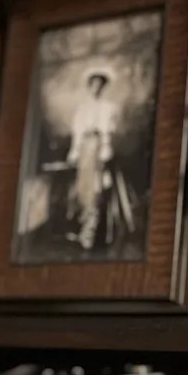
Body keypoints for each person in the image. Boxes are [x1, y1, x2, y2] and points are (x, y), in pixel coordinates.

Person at [66, 67, 116, 250]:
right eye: (93, 84)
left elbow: (107, 133)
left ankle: (92, 234)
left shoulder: (108, 108)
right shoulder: (82, 109)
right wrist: (74, 152)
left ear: (103, 87)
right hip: (85, 151)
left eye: (100, 84)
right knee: (83, 189)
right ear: (89, 87)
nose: (96, 87)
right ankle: (81, 229)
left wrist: (105, 150)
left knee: (97, 189)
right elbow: (77, 135)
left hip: (98, 148)